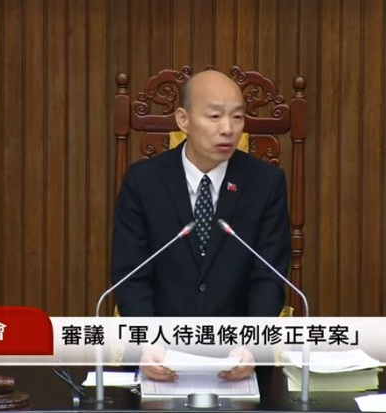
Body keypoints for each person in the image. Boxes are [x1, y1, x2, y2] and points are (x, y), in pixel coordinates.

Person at [110, 70, 291, 382]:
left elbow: (269, 277)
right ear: (183, 119)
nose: (228, 129)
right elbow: (131, 275)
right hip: (157, 355)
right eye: (215, 116)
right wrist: (148, 344)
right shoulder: (143, 181)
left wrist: (251, 346)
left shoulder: (266, 183)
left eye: (237, 117)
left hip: (238, 360)